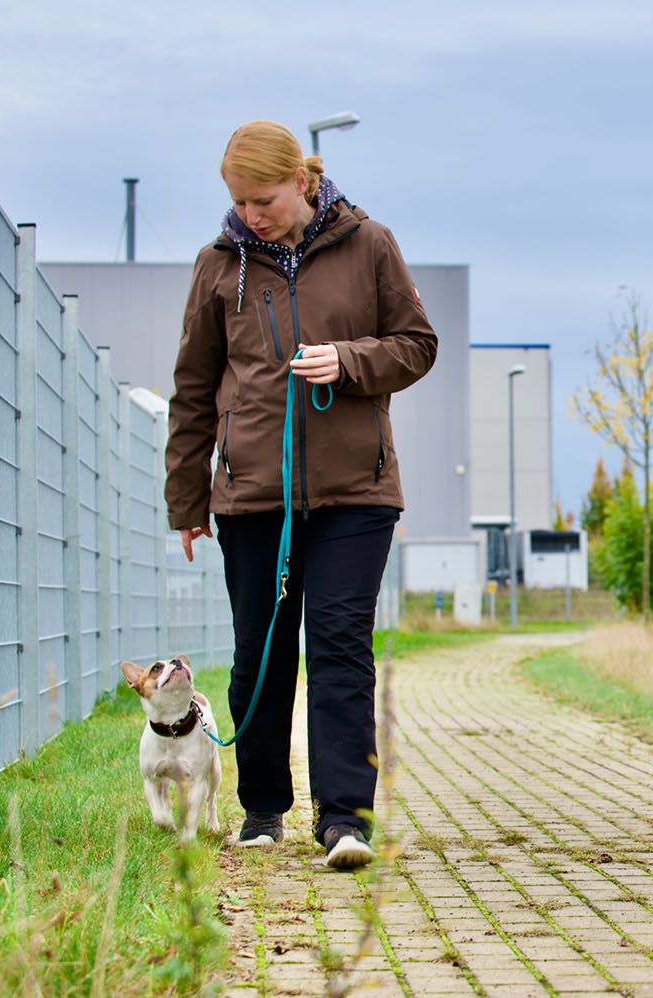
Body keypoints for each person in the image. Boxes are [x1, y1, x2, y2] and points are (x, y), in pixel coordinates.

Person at [165, 120, 437, 869]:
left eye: (265, 199)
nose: (252, 214)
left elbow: (418, 344)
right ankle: (262, 809)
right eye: (240, 202)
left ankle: (345, 818)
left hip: (358, 491)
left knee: (341, 648)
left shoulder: (369, 243)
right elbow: (191, 390)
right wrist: (187, 499)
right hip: (254, 496)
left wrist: (347, 361)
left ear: (303, 182)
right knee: (260, 653)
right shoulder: (218, 267)